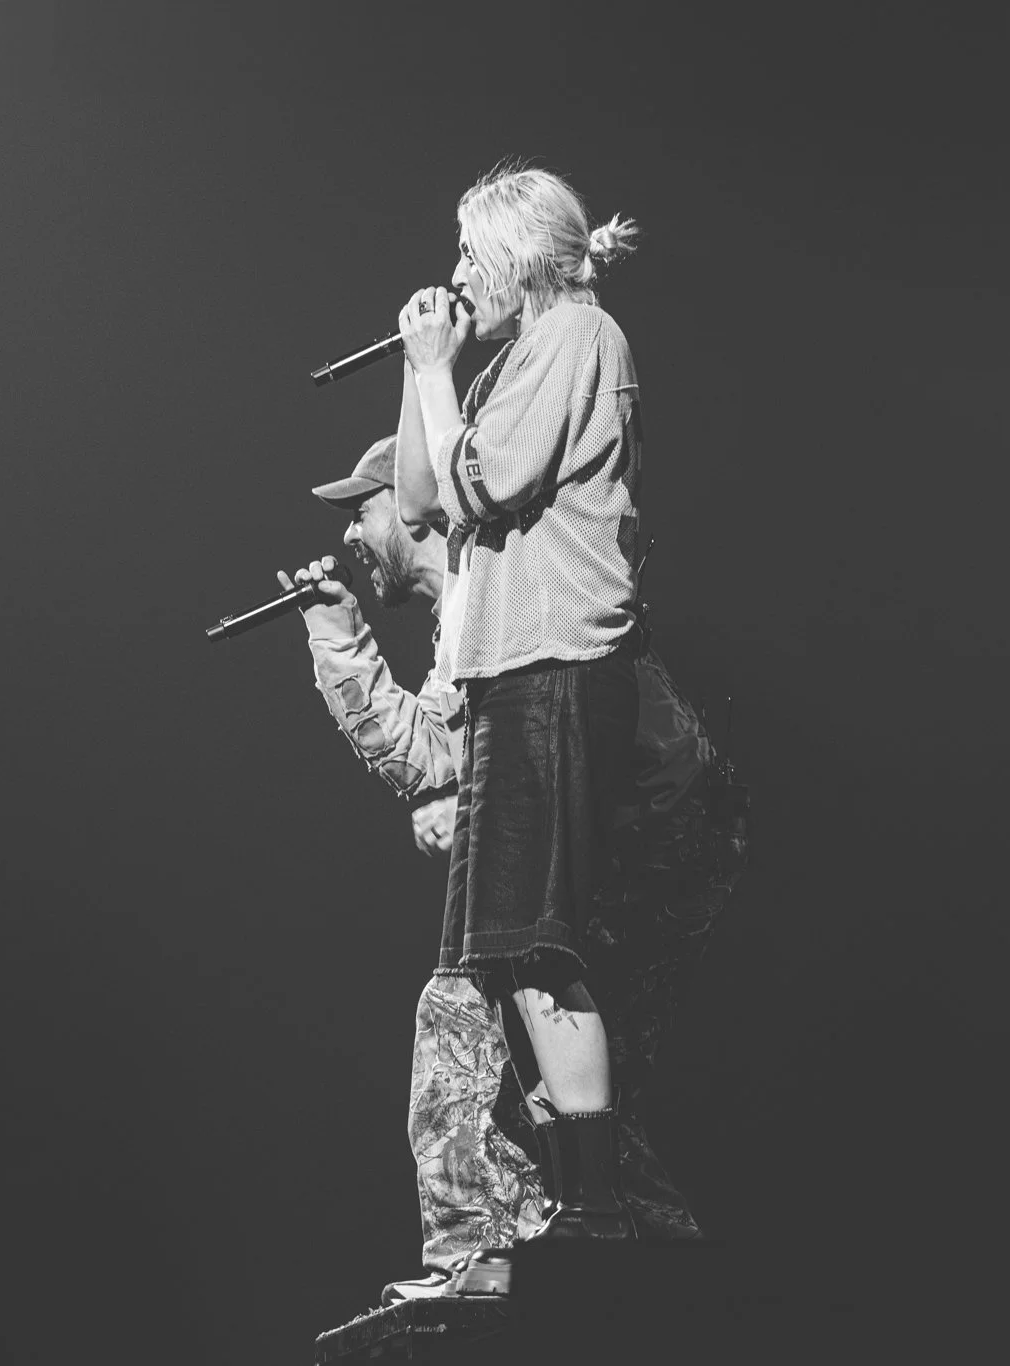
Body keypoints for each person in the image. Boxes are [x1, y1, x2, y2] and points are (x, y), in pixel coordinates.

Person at [283, 435, 748, 1301]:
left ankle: (482, 1262)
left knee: (467, 1014)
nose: (350, 533)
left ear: (413, 504)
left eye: (362, 508)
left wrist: (468, 809)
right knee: (562, 1077)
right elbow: (435, 754)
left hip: (657, 831)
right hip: (659, 832)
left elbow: (494, 748)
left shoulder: (487, 578)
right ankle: (656, 1263)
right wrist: (338, 638)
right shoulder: (461, 607)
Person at [388, 160, 650, 1240]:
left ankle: (594, 1197)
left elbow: (484, 483)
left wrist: (441, 374)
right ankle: (573, 1196)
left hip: (552, 669)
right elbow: (418, 496)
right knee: (504, 951)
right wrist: (423, 372)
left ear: (513, 253)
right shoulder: (509, 364)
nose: (455, 277)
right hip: (509, 677)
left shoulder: (576, 337)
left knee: (541, 945)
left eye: (467, 257)